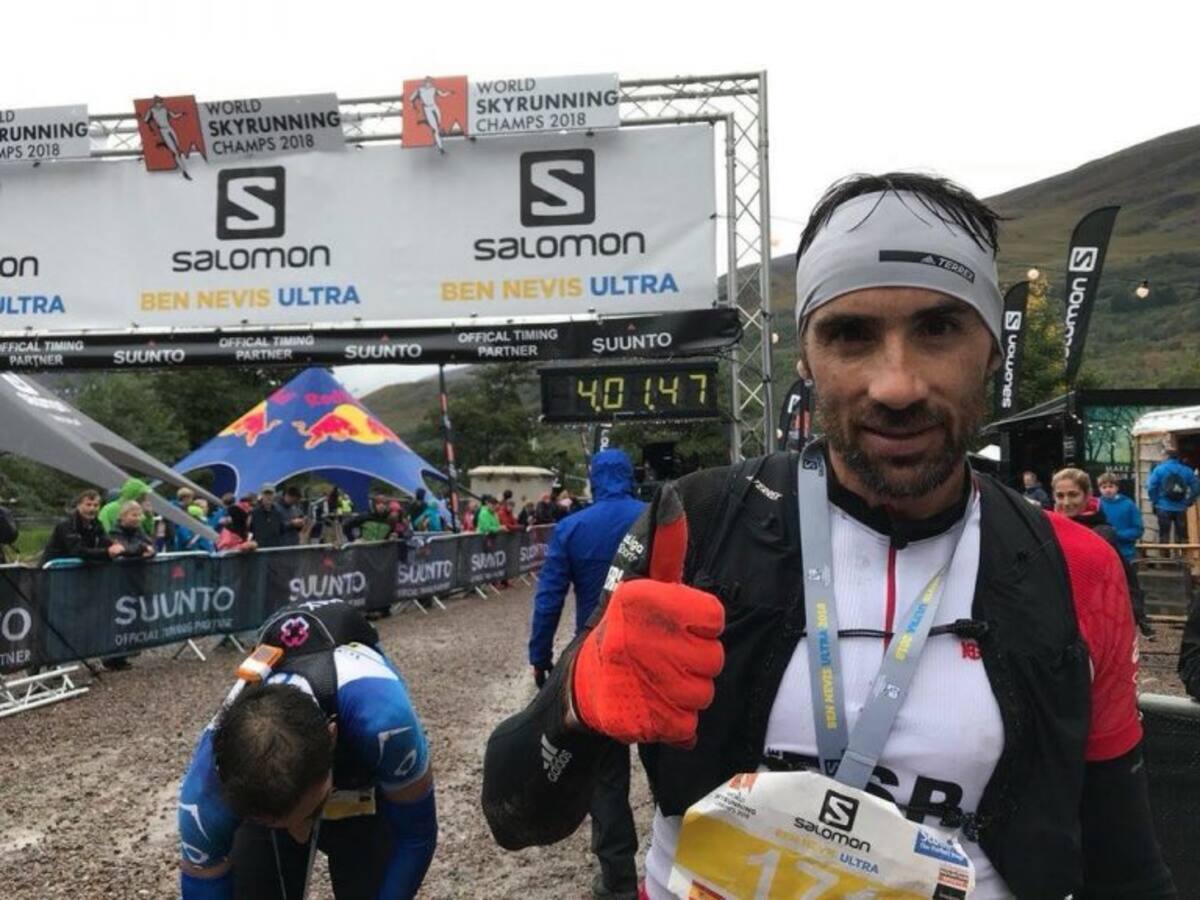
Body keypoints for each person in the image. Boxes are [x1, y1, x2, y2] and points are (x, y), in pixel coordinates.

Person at [481, 173, 1174, 898]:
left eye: (938, 328)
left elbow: (1126, 861)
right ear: (806, 358)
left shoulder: (1073, 565)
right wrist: (575, 700)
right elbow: (514, 815)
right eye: (851, 334)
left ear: (994, 351)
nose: (896, 385)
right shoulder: (700, 522)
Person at [178, 599, 437, 899]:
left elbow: (416, 836)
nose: (301, 834)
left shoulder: (386, 721)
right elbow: (203, 877)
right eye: (279, 823)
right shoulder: (206, 788)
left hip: (356, 767)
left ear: (331, 736)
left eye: (313, 810)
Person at [527, 449, 646, 900]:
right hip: (656, 659)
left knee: (607, 775)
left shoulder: (571, 527)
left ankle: (617, 881)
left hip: (598, 660)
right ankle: (679, 865)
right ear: (630, 476)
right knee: (673, 765)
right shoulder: (655, 517)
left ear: (594, 481)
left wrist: (540, 655)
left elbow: (550, 597)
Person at [1053, 468, 1154, 637]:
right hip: (1057, 612)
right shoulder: (1046, 527)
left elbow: (1124, 578)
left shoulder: (1102, 532)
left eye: (1073, 494)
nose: (1067, 502)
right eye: (1060, 496)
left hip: (1094, 614)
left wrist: (1135, 611)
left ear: (1087, 495)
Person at [42, 490, 121, 563]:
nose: (92, 509)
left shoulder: (97, 524)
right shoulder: (66, 525)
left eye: (96, 505)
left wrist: (115, 546)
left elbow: (105, 541)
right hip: (55, 570)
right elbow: (77, 551)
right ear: (78, 506)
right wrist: (107, 552)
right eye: (88, 505)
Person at [1147, 442, 1199, 544]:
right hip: (1181, 507)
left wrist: (1155, 500)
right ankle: (1182, 558)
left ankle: (1165, 558)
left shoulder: (1159, 469)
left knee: (1164, 535)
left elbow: (1151, 487)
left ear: (1167, 456)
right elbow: (1197, 488)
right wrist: (1189, 501)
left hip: (1163, 507)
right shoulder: (1187, 470)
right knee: (1182, 536)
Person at [1098, 472, 1145, 563]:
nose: (1108, 490)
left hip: (1125, 554)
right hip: (1102, 553)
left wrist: (1117, 534)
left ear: (1117, 487)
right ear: (1099, 489)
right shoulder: (1096, 505)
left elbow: (1138, 529)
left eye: (1111, 486)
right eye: (1104, 487)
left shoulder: (1129, 505)